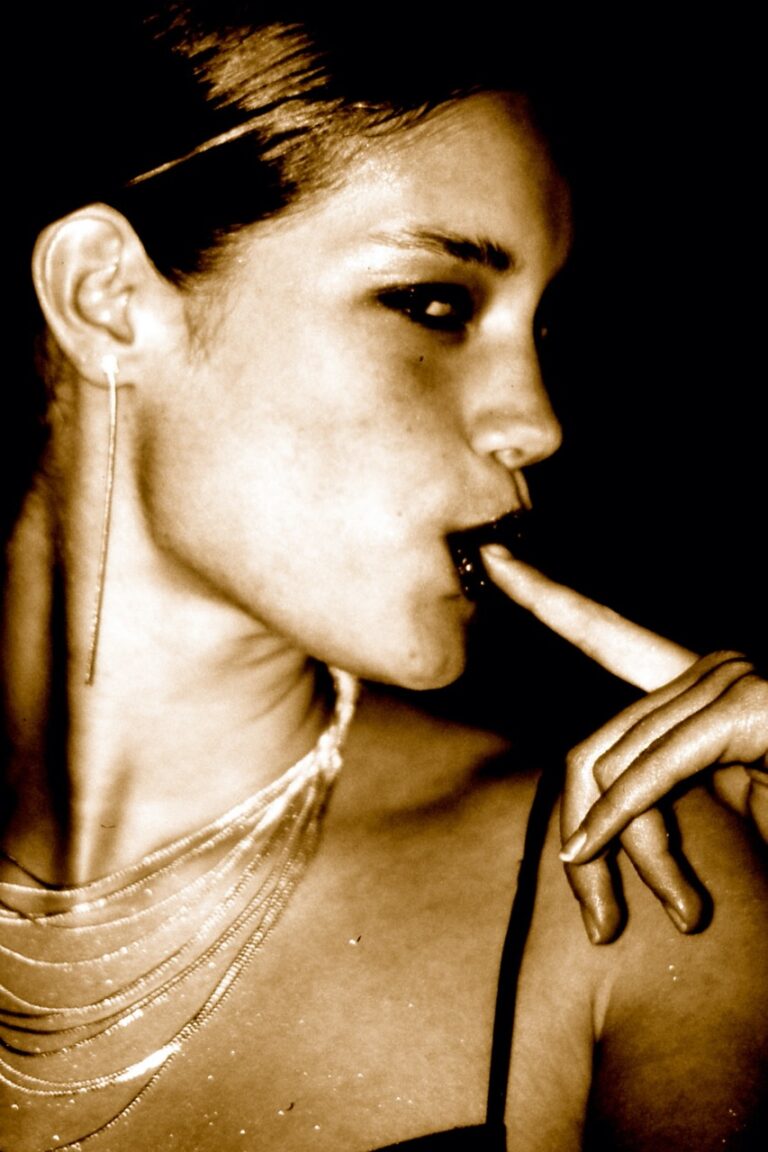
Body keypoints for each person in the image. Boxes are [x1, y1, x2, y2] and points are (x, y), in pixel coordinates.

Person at [2, 6, 766, 1151]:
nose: (535, 424)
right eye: (436, 305)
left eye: (541, 331)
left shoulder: (630, 891)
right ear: (105, 295)